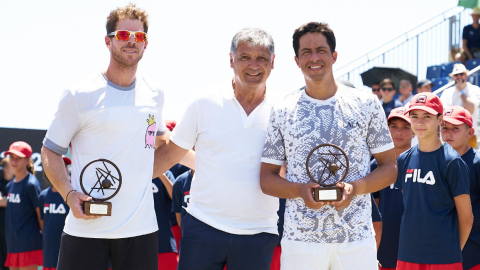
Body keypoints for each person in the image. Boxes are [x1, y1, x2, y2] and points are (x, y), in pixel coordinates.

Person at [40, 4, 191, 270]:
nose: (132, 41)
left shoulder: (154, 94)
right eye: (123, 35)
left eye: (139, 36)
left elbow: (164, 146)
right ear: (108, 41)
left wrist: (213, 163)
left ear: (146, 44)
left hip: (140, 231)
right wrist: (69, 193)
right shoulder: (79, 94)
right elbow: (50, 151)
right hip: (85, 230)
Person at [260, 22, 397, 270]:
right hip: (301, 240)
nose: (314, 57)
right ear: (296, 60)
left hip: (356, 239)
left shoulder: (366, 103)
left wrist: (355, 188)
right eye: (306, 52)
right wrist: (301, 191)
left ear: (333, 56)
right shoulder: (282, 110)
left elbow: (389, 167)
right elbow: (267, 179)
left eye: (321, 50)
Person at [153, 28, 279, 270]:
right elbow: (169, 154)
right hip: (203, 228)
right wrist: (125, 183)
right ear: (231, 60)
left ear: (273, 63)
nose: (253, 64)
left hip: (259, 232)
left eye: (261, 58)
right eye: (244, 57)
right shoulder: (203, 102)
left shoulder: (284, 110)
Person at [396, 93, 473, 269]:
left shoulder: (452, 161)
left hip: (444, 258)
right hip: (408, 254)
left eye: (427, 116)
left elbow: (467, 218)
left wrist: (451, 252)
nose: (420, 122)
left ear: (440, 120)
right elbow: (410, 206)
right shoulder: (403, 160)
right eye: (414, 116)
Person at [371, 107, 413, 270]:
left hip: (415, 245)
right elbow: (373, 211)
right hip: (385, 246)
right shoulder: (376, 166)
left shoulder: (423, 163)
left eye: (405, 127)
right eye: (394, 126)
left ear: (414, 131)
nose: (399, 132)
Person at [441, 106, 480, 270]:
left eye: (455, 128)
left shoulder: (477, 162)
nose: (448, 132)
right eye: (444, 127)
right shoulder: (436, 160)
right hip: (440, 251)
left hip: (473, 253)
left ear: (470, 132)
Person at [4, 141, 43, 270]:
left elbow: (40, 216)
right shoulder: (10, 185)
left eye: (18, 158)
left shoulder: (31, 184)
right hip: (13, 244)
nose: (14, 161)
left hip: (29, 245)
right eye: (11, 157)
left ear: (27, 160)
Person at [38, 156, 71, 270]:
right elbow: (42, 224)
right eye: (57, 166)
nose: (62, 168)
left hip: (69, 253)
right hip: (49, 254)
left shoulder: (75, 195)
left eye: (64, 165)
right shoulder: (43, 196)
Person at [440, 63, 480, 149]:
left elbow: (471, 109)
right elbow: (443, 112)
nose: (459, 76)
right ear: (453, 77)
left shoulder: (475, 89)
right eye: (456, 74)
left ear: (466, 76)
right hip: (450, 136)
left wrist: (461, 91)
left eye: (461, 74)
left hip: (469, 135)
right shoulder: (447, 92)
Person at [151, 171, 179, 270]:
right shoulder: (128, 172)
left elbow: (178, 200)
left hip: (163, 242)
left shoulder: (165, 173)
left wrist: (161, 174)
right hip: (133, 242)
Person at [0, 158, 13, 270]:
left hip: (14, 230)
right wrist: (16, 201)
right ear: (5, 168)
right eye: (10, 165)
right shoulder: (0, 183)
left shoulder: (17, 183)